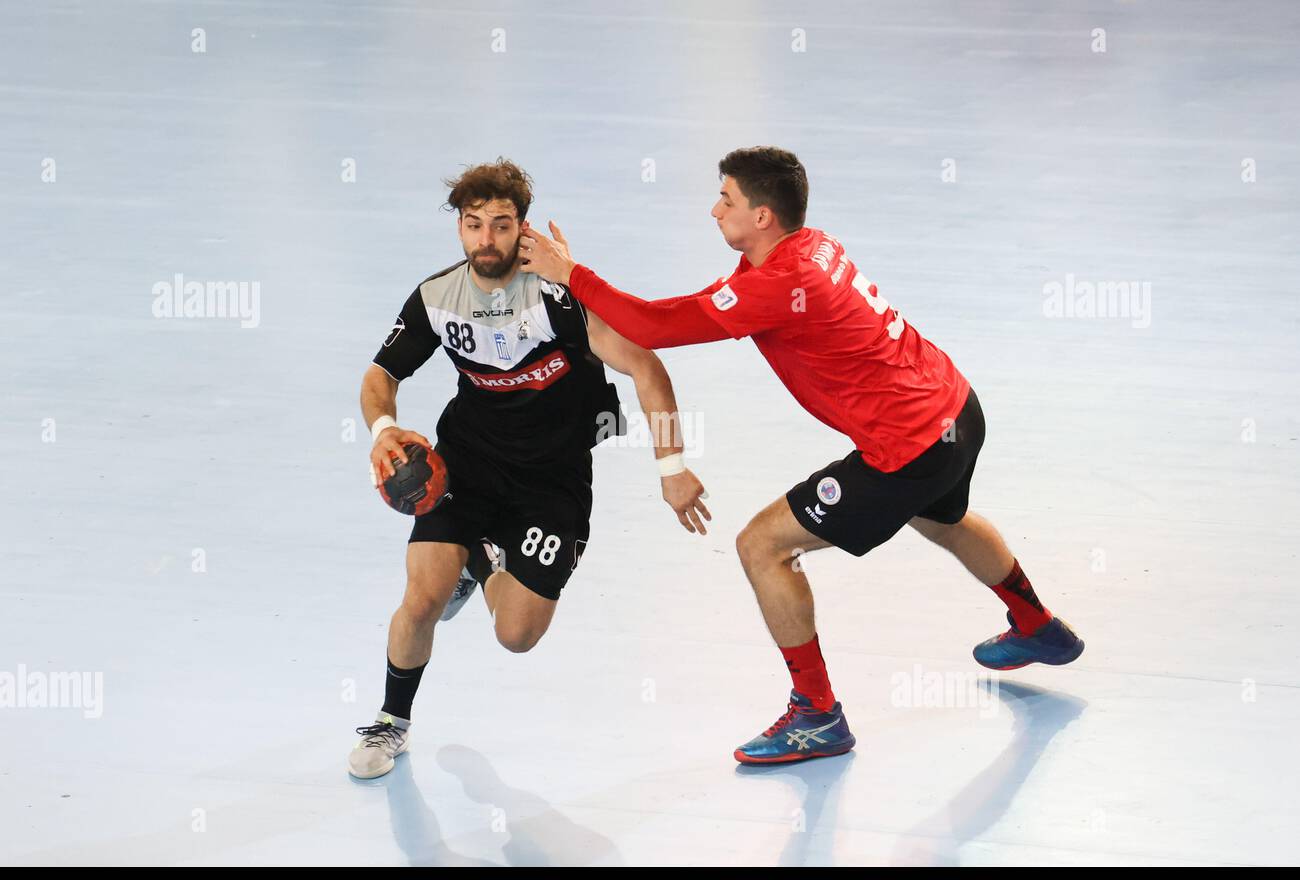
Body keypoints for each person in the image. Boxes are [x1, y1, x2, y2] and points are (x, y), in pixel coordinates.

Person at [519, 146, 1083, 765]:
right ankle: (1037, 625)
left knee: (762, 546)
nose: (714, 210)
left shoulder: (783, 282)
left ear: (762, 215)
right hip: (955, 409)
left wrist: (572, 274)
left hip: (909, 446)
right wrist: (581, 290)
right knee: (940, 518)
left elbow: (656, 329)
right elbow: (680, 313)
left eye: (726, 199)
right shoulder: (806, 247)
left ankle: (817, 715)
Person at [348, 159, 710, 779]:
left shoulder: (560, 295)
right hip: (466, 464)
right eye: (472, 225)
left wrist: (672, 465)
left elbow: (647, 367)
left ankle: (481, 560)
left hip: (552, 480)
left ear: (523, 227)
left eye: (501, 224)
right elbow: (381, 375)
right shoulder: (438, 295)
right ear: (459, 230)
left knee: (516, 635)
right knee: (420, 598)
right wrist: (384, 430)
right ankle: (391, 722)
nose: (486, 239)